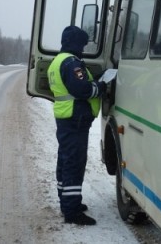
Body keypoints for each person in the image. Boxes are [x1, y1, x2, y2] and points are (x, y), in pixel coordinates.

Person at [47, 26, 107, 226]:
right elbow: (81, 89)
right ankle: (72, 211)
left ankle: (67, 202)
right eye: (82, 44)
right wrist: (100, 87)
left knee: (65, 160)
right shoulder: (71, 63)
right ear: (75, 43)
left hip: (66, 118)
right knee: (74, 162)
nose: (83, 48)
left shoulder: (57, 61)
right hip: (75, 119)